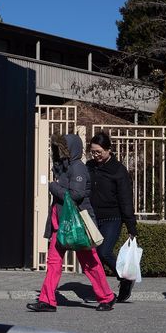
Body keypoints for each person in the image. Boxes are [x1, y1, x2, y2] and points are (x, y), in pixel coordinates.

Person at [28, 133, 117, 312]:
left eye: (63, 149)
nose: (59, 152)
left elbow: (76, 195)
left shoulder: (78, 168)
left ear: (71, 150)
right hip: (59, 222)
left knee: (90, 263)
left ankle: (107, 296)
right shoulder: (62, 167)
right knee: (53, 262)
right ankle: (47, 300)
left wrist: (54, 187)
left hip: (77, 222)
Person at [87, 131, 139, 302]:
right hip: (93, 218)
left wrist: (131, 226)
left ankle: (125, 280)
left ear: (108, 150)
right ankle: (103, 290)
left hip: (113, 218)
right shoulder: (89, 166)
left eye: (99, 152)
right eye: (93, 151)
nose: (95, 155)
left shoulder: (118, 170)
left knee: (104, 252)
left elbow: (125, 200)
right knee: (93, 257)